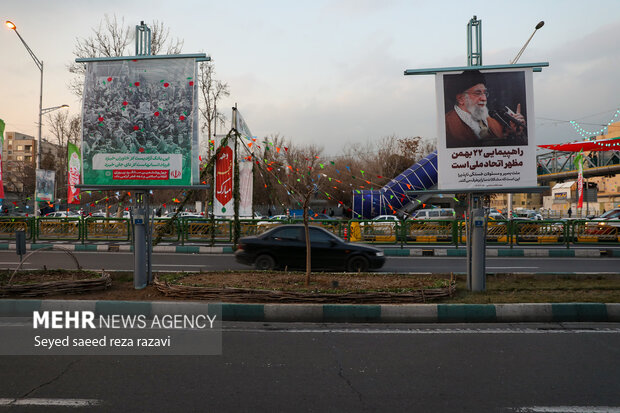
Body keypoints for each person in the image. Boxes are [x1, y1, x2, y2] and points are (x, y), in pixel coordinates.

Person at [444, 70, 526, 148]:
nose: (484, 98)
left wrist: (515, 133)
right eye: (477, 93)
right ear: (461, 99)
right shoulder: (446, 125)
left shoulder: (493, 123)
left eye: (485, 93)